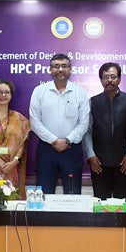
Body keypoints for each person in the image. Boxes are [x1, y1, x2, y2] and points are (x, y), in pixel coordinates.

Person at [29, 54, 90, 194]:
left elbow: (83, 123)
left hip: (72, 150)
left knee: (73, 194)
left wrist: (67, 140)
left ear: (70, 69)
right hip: (47, 150)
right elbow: (35, 121)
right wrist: (54, 140)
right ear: (50, 69)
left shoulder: (80, 92)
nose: (60, 69)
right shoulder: (39, 91)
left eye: (64, 66)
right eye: (56, 66)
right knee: (44, 193)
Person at [85, 62, 126, 199]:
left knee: (123, 203)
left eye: (113, 76)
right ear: (101, 80)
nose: (109, 80)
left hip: (124, 162)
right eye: (105, 77)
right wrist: (91, 155)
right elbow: (87, 131)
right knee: (100, 204)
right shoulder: (93, 101)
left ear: (119, 78)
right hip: (98, 163)